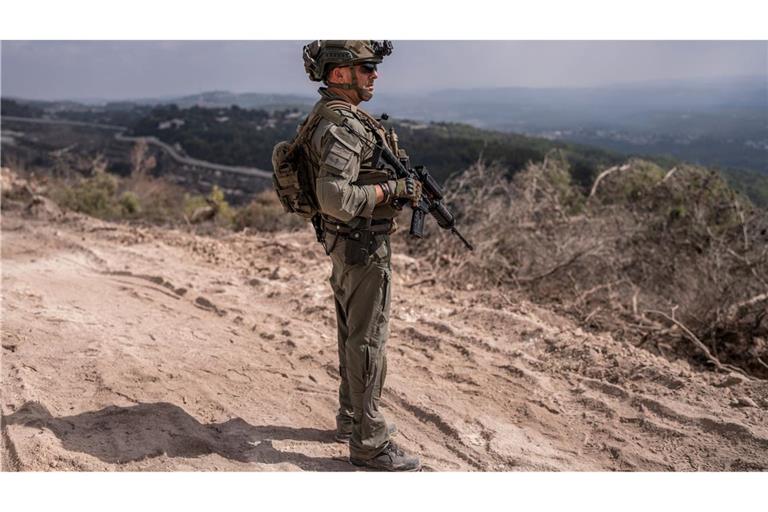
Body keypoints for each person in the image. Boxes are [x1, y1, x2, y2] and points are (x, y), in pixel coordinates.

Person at [300, 40, 422, 471]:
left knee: (354, 334)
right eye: (366, 67)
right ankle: (369, 443)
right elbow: (333, 196)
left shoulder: (338, 117)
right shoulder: (340, 125)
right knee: (368, 340)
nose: (375, 74)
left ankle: (352, 417)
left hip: (348, 243)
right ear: (338, 74)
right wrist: (393, 191)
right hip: (361, 245)